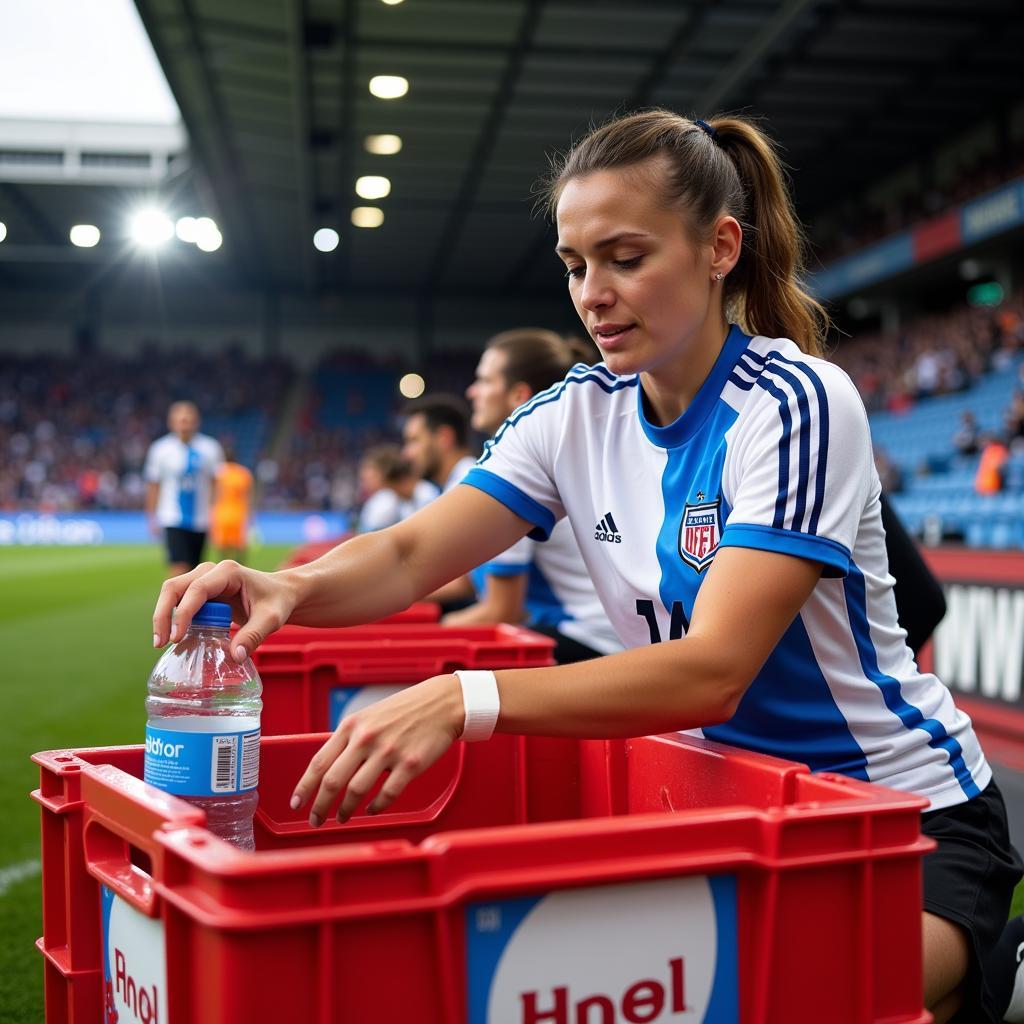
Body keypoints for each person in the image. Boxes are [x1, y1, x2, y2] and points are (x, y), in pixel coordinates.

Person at [153, 110, 1020, 1023]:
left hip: (898, 824)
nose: (592, 294)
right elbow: (413, 550)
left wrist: (464, 698)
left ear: (720, 247)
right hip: (713, 807)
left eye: (626, 258)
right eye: (574, 265)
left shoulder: (799, 402)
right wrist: (287, 587)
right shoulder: (574, 411)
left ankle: (994, 968)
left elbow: (716, 670)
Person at [446, 328, 623, 663]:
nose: (472, 391)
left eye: (484, 381)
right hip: (607, 634)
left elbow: (502, 611)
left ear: (518, 395)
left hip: (592, 640)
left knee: (454, 679)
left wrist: (434, 631)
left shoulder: (524, 470)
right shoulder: (565, 454)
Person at [401, 393, 478, 608]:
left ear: (444, 437)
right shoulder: (457, 482)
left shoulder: (469, 484)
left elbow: (464, 584)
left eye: (414, 440)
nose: (407, 454)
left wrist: (383, 593)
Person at [144, 401, 224, 577]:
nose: (184, 423)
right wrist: (151, 517)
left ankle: (190, 604)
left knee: (197, 572)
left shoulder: (210, 448)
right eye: (180, 419)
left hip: (201, 519)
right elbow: (153, 484)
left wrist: (216, 512)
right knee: (179, 569)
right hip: (172, 517)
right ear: (171, 422)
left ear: (197, 421)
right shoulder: (160, 449)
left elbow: (216, 483)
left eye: (188, 419)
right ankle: (177, 605)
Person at [356, 444, 437, 533]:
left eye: (367, 478)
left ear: (384, 472)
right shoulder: (398, 500)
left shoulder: (426, 494)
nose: (364, 484)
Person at [210, 446, 254, 564]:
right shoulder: (243, 473)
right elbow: (247, 496)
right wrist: (250, 515)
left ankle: (222, 568)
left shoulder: (219, 473)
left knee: (222, 547)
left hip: (221, 514)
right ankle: (242, 569)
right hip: (238, 514)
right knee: (240, 546)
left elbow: (213, 494)